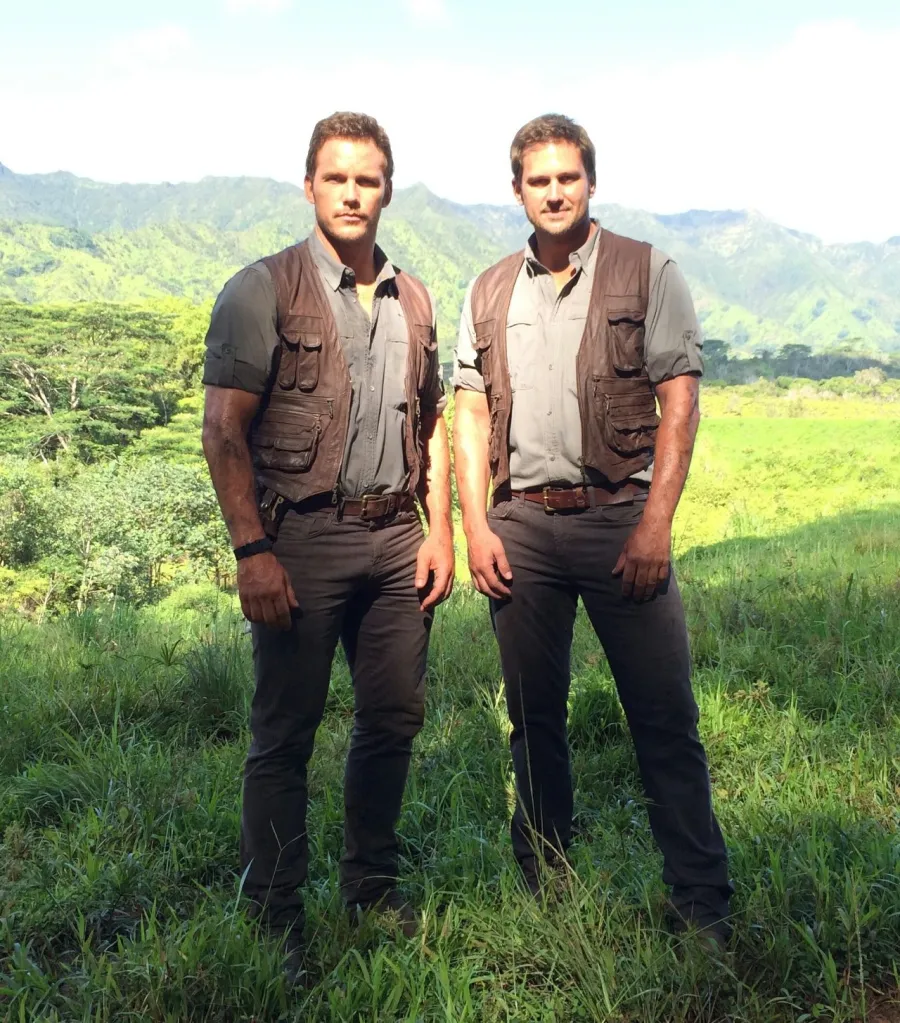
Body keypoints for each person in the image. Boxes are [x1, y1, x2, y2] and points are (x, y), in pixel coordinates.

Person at [453, 113, 732, 946]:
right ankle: (547, 886)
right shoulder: (489, 288)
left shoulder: (648, 272)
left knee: (663, 716)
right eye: (537, 180)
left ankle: (702, 903)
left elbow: (678, 402)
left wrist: (655, 525)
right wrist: (475, 525)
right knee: (534, 722)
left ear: (590, 183)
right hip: (520, 528)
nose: (553, 192)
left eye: (567, 177)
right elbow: (467, 411)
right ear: (516, 191)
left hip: (619, 519)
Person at [201, 111, 454, 974]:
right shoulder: (261, 289)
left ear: (387, 188)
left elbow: (432, 422)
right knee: (285, 733)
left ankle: (371, 891)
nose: (353, 193)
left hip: (395, 542)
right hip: (299, 539)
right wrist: (251, 551)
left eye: (368, 179)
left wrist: (441, 532)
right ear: (308, 184)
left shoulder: (413, 298)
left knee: (392, 720)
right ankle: (276, 920)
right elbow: (223, 433)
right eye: (336, 177)